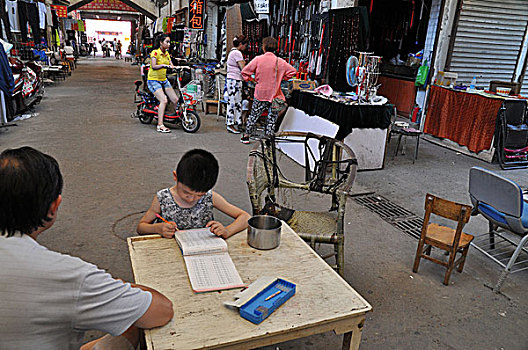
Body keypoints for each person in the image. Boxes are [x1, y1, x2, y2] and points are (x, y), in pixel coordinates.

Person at [0, 147, 174, 349]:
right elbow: (161, 311)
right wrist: (119, 286)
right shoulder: (67, 275)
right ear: (54, 206)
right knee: (132, 323)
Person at [137, 149, 250, 239]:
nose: (191, 199)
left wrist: (227, 231)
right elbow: (141, 227)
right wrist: (157, 228)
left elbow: (245, 217)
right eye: (186, 193)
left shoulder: (210, 197)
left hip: (201, 251)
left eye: (199, 195)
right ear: (176, 177)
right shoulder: (163, 198)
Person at [240, 37, 296, 144]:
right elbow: (292, 71)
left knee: (254, 115)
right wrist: (282, 77)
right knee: (272, 118)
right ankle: (268, 140)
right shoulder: (280, 61)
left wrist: (252, 79)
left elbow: (245, 72)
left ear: (264, 47)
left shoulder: (258, 59)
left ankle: (246, 136)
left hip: (261, 93)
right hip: (275, 94)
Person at [147, 33, 179, 133]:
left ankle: (173, 117)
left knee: (175, 99)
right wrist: (163, 66)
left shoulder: (167, 54)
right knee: (164, 100)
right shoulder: (155, 53)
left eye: (170, 42)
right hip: (153, 80)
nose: (169, 44)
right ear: (161, 43)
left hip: (163, 79)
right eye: (167, 42)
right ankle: (160, 125)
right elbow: (153, 66)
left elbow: (172, 66)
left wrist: (180, 68)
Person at [225, 35, 248, 134]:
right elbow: (243, 68)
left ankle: (237, 122)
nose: (245, 47)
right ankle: (230, 124)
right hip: (234, 80)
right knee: (234, 102)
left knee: (236, 102)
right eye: (245, 45)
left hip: (234, 80)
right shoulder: (237, 53)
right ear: (240, 44)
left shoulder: (233, 52)